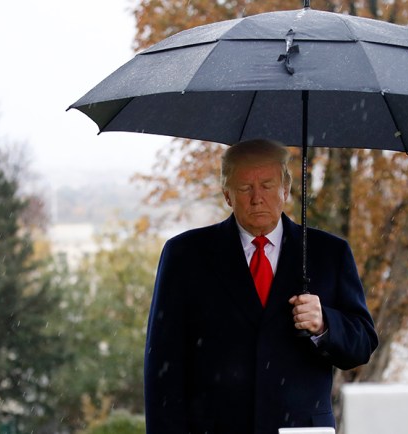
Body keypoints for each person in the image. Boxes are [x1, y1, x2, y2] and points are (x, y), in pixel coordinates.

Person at [144, 139, 378, 434]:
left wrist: (325, 325)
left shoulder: (329, 253)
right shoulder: (185, 255)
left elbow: (362, 346)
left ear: (286, 189)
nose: (257, 198)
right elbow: (162, 369)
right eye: (245, 188)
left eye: (267, 185)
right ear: (227, 194)